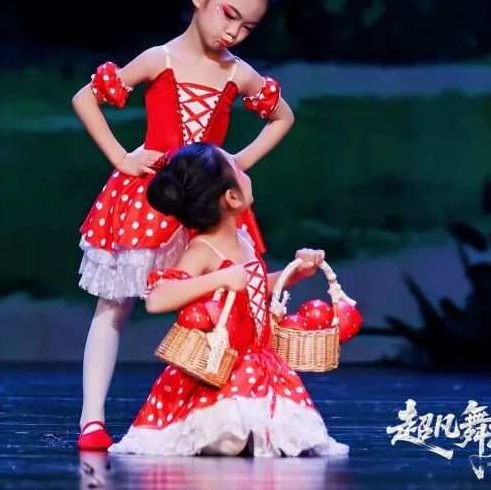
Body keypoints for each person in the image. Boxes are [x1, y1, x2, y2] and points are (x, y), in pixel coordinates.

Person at [73, 0, 294, 450]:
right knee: (114, 307)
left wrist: (236, 163)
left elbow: (283, 117)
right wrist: (122, 158)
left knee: (226, 309)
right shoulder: (161, 59)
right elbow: (87, 97)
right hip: (150, 198)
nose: (234, 32)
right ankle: (92, 420)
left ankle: (220, 419)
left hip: (208, 206)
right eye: (228, 15)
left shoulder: (237, 73)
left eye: (247, 27)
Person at [109, 143, 349, 458]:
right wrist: (219, 278)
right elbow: (157, 299)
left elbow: (252, 286)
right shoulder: (202, 249)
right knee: (227, 438)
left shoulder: (243, 239)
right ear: (232, 197)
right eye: (237, 169)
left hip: (258, 364)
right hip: (218, 368)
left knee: (296, 434)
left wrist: (296, 273)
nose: (244, 172)